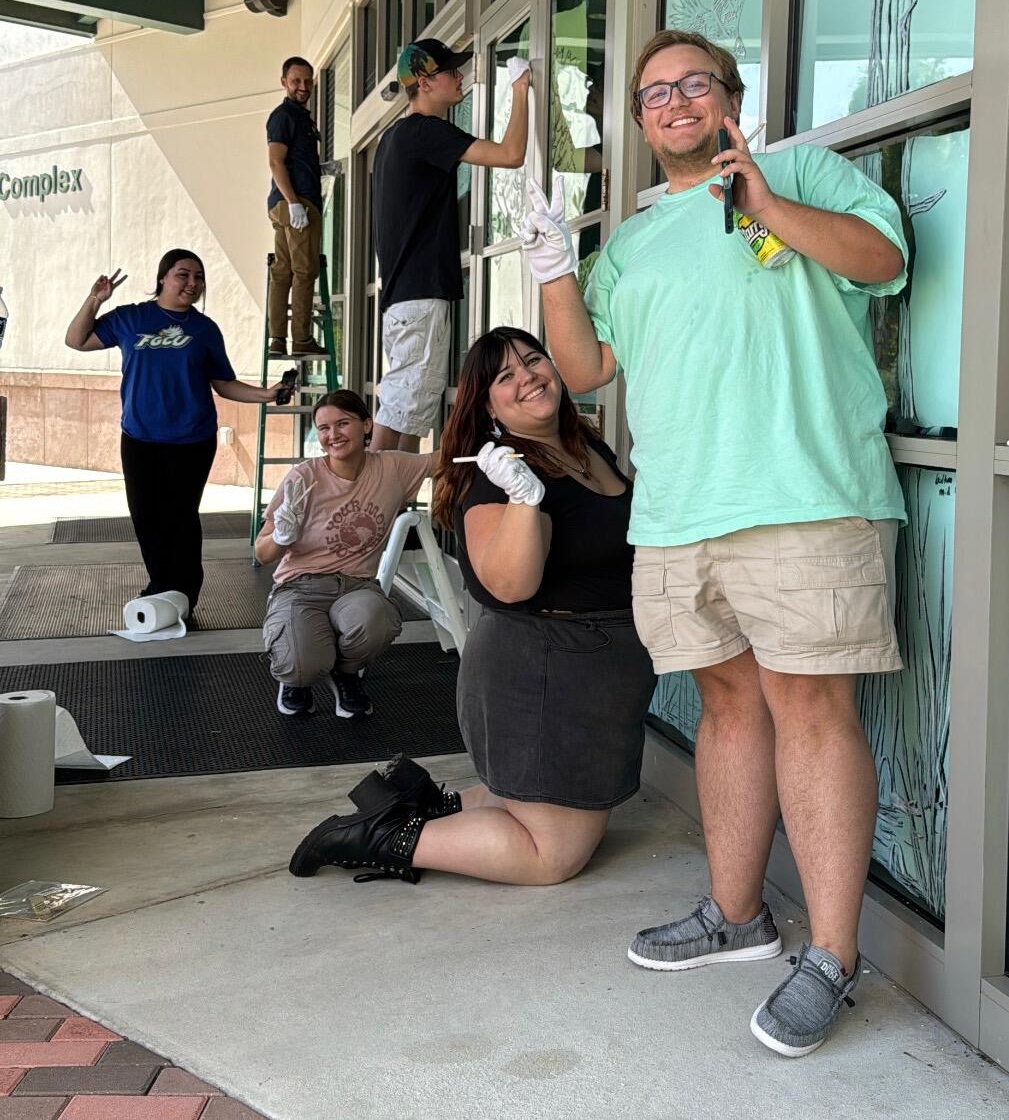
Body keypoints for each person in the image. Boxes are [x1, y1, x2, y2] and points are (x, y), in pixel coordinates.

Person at [518, 29, 909, 1059]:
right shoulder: (634, 243)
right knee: (730, 706)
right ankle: (736, 914)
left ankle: (831, 954)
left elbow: (884, 261)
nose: (675, 101)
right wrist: (555, 269)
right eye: (654, 92)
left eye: (695, 83)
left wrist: (767, 206)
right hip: (680, 514)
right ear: (641, 122)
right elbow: (586, 366)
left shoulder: (805, 174)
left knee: (811, 711)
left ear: (732, 98)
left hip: (806, 495)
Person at [287, 327, 655, 886]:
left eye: (533, 360)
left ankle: (413, 802)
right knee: (550, 855)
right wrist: (523, 500)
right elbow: (509, 585)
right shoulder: (494, 474)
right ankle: (379, 837)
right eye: (505, 377)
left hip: (594, 673)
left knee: (526, 801)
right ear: (486, 405)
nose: (528, 376)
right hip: (543, 674)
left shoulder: (585, 446)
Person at [65, 250, 282, 623]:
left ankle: (182, 590)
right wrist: (95, 299)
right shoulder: (130, 317)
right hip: (140, 436)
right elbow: (76, 340)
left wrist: (266, 394)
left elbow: (223, 383)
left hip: (192, 438)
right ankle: (162, 583)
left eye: (198, 277)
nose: (192, 283)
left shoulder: (205, 330)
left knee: (180, 516)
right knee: (147, 516)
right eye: (183, 275)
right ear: (163, 277)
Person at [370, 38, 531, 453]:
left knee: (404, 413)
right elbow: (512, 155)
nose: (460, 77)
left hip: (407, 298)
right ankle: (376, 512)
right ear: (424, 82)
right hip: (420, 298)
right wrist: (519, 89)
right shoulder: (425, 132)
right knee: (401, 418)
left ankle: (383, 510)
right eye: (451, 71)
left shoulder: (394, 138)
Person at [256, 389, 435, 719]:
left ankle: (347, 671)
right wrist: (282, 535)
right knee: (302, 664)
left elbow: (444, 461)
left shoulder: (392, 468)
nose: (332, 435)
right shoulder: (303, 477)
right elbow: (262, 552)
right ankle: (297, 678)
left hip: (356, 585)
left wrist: (500, 433)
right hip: (299, 586)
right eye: (323, 428)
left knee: (376, 620)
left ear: (367, 425)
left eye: (343, 423)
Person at [266, 55, 327, 359]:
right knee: (304, 270)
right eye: (296, 81)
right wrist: (294, 203)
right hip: (296, 201)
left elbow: (294, 160)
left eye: (307, 81)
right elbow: (276, 161)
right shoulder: (284, 116)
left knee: (283, 271)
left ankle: (277, 338)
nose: (302, 86)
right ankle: (301, 338)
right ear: (284, 82)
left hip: (290, 200)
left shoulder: (302, 117)